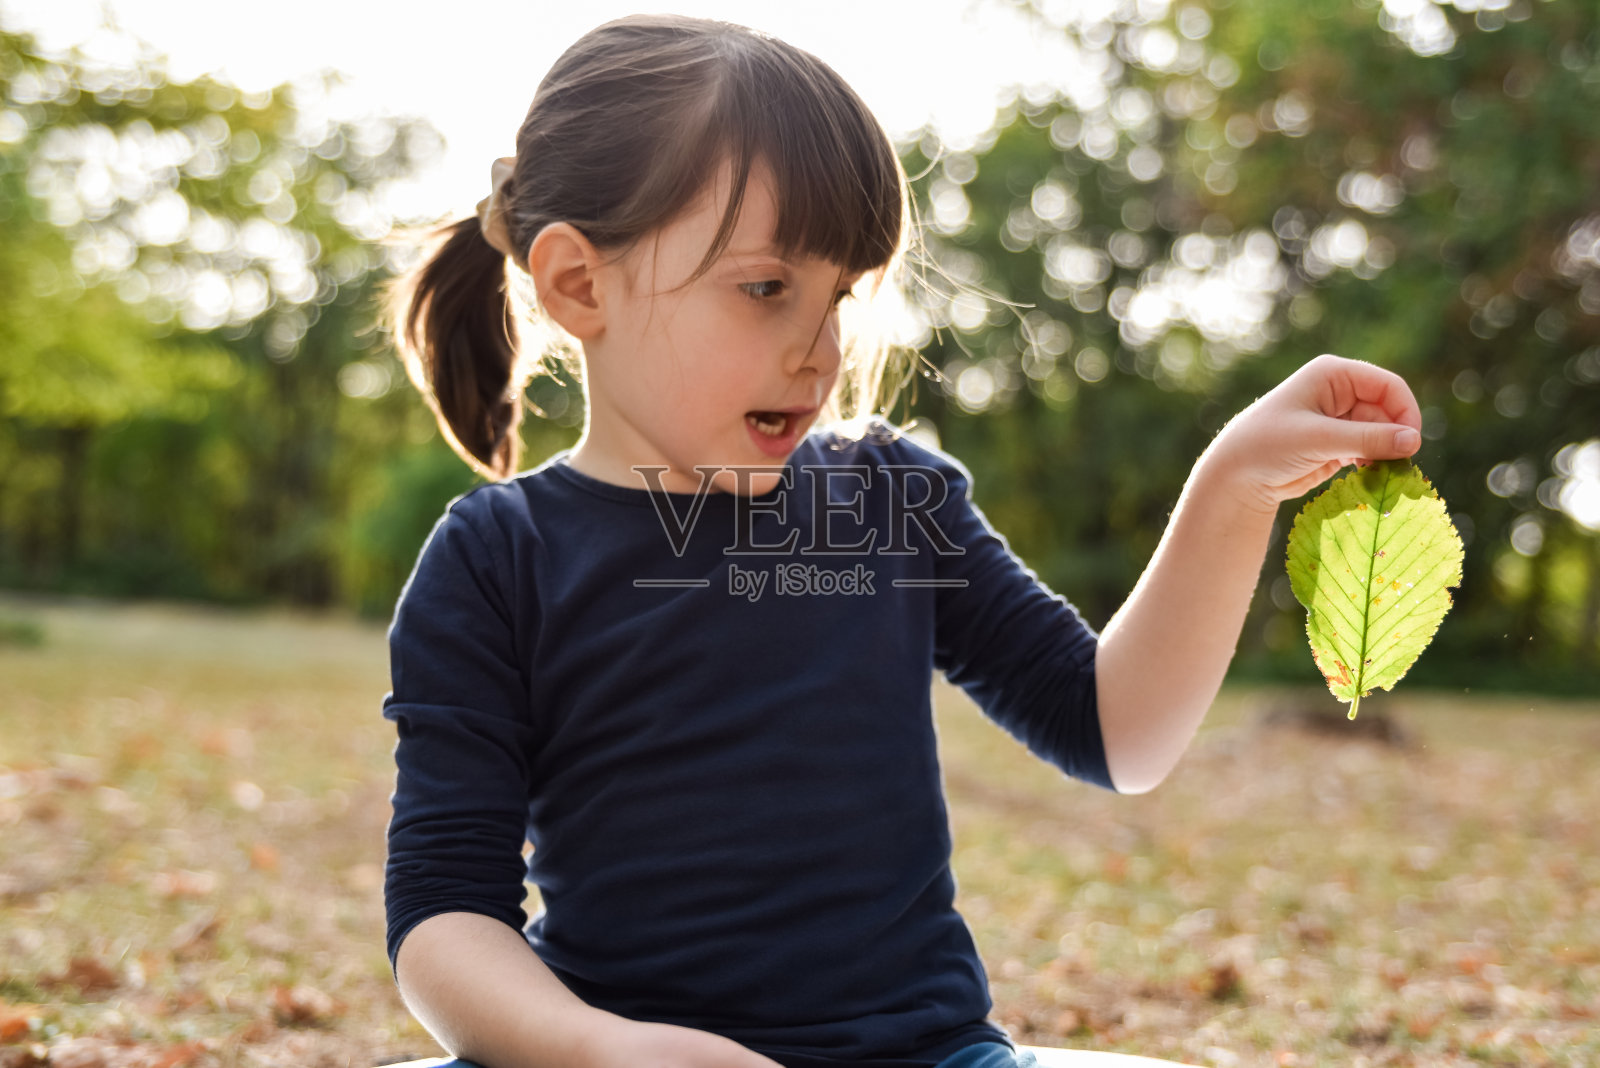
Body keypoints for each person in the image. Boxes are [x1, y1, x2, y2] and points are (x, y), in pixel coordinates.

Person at [377, 14, 1423, 1068]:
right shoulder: (495, 559)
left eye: (840, 295)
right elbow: (443, 917)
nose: (819, 348)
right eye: (766, 288)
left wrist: (1234, 486)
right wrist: (607, 1052)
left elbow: (1120, 732)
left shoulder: (888, 503)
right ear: (577, 284)